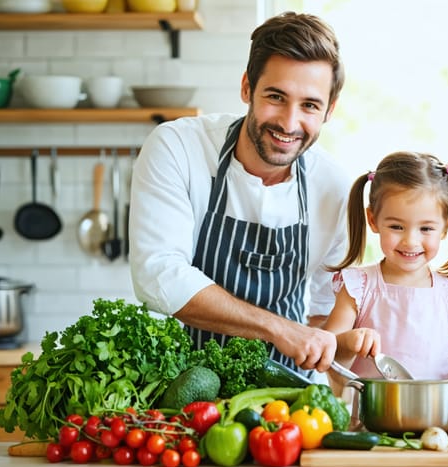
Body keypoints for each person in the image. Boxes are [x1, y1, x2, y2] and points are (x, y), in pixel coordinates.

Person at [128, 12, 349, 378]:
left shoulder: (334, 185)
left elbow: (326, 311)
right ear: (247, 88)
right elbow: (159, 275)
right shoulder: (178, 148)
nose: (290, 123)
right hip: (187, 393)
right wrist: (277, 329)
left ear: (329, 110)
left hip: (291, 402)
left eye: (310, 105)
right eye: (276, 97)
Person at [323, 151, 448, 381]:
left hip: (439, 416)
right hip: (371, 416)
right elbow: (327, 354)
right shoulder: (358, 288)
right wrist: (349, 342)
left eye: (426, 229)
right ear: (373, 220)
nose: (411, 241)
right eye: (396, 227)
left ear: (445, 227)